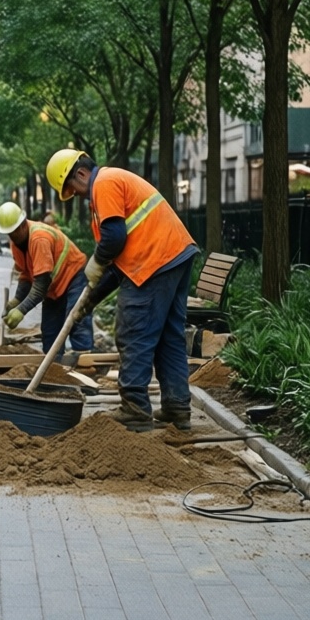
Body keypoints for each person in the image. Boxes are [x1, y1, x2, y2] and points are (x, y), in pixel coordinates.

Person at [46, 149, 199, 432]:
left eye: (72, 190)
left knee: (133, 332)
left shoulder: (103, 183)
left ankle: (135, 411)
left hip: (154, 262)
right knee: (168, 337)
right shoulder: (115, 182)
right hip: (174, 255)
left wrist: (96, 261)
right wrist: (88, 301)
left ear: (80, 174)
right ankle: (178, 408)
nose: (76, 196)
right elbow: (117, 266)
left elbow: (114, 240)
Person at [0, 200, 93, 359]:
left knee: (76, 320)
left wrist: (21, 310)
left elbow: (40, 285)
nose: (12, 236)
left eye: (14, 231)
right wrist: (16, 300)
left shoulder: (39, 238)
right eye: (9, 233)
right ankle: (54, 370)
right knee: (50, 331)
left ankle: (86, 365)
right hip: (54, 286)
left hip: (73, 276)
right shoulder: (16, 244)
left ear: (22, 224)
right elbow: (26, 275)